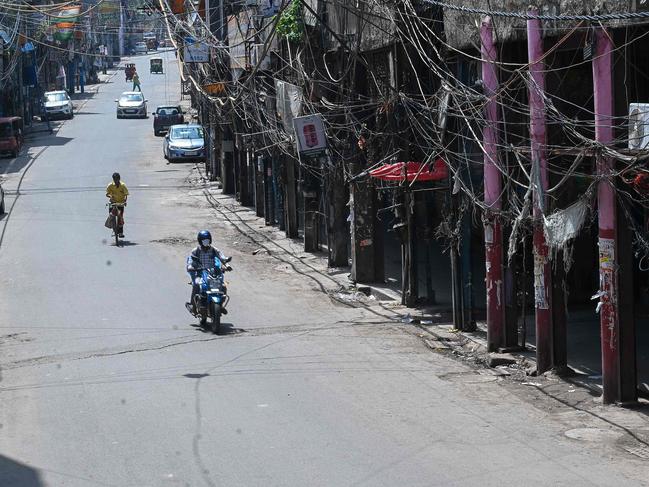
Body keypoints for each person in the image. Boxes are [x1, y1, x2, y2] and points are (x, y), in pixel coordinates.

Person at [185, 230, 231, 316]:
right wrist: (191, 267)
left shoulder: (213, 249)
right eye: (204, 240)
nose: (206, 242)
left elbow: (222, 257)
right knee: (197, 284)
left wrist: (227, 265)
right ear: (200, 241)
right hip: (200, 273)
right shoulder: (195, 251)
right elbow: (191, 261)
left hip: (213, 273)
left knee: (223, 286)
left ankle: (220, 305)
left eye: (207, 240)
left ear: (210, 240)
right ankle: (193, 307)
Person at [105, 172, 129, 238]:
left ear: (119, 179)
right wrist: (110, 196)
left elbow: (126, 195)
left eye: (117, 179)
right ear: (113, 179)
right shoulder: (110, 185)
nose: (116, 181)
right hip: (112, 203)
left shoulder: (123, 185)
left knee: (120, 217)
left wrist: (125, 200)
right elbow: (107, 193)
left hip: (120, 203)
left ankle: (120, 232)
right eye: (115, 179)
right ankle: (113, 227)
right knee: (111, 215)